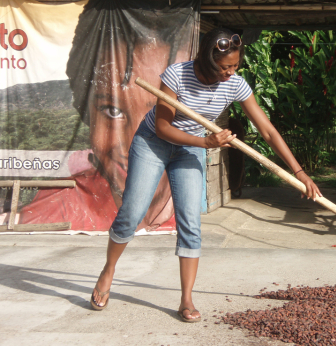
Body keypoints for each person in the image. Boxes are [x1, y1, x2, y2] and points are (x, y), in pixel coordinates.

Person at [90, 28, 322, 322]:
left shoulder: (234, 84)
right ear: (209, 62)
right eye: (226, 68)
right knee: (132, 212)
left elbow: (267, 130)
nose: (231, 73)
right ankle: (108, 271)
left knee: (190, 220)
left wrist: (299, 171)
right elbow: (163, 128)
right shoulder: (176, 75)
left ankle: (186, 299)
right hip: (154, 143)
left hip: (189, 150)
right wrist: (206, 143)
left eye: (235, 66)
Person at [18, 0, 199, 232]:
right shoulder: (56, 209)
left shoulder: (188, 207)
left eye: (164, 112)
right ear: (87, 114)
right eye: (112, 111)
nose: (135, 140)